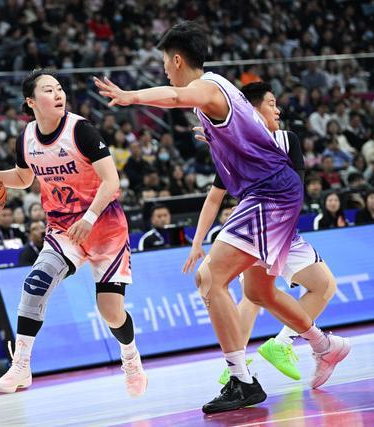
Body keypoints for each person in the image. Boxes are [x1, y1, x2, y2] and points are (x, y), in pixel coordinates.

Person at [95, 21, 349, 413]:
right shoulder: (219, 95)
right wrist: (218, 139)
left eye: (164, 63)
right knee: (259, 293)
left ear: (177, 60)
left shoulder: (207, 87)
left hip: (269, 194)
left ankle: (241, 380)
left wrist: (131, 96)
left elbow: (176, 95)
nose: (165, 71)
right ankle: (324, 345)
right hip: (272, 192)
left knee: (210, 277)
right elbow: (243, 134)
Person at [0, 69, 146, 397]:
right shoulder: (26, 137)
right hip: (63, 227)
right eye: (48, 90)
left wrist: (90, 217)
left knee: (110, 311)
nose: (58, 94)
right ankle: (21, 365)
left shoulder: (81, 130)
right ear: (30, 101)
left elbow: (111, 180)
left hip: (105, 226)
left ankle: (131, 357)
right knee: (36, 282)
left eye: (59, 89)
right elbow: (24, 178)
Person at [190, 82, 338, 386]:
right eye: (272, 104)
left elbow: (295, 189)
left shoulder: (285, 139)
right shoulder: (235, 148)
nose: (278, 110)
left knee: (322, 286)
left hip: (283, 228)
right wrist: (197, 241)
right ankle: (237, 364)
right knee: (253, 296)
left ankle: (280, 344)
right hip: (255, 229)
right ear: (251, 112)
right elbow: (214, 198)